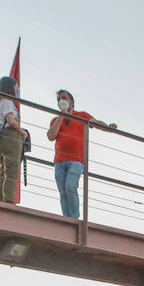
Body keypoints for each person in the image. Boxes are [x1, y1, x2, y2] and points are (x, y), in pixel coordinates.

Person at [45, 89, 112, 219]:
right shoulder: (56, 119)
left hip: (76, 160)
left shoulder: (81, 116)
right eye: (59, 99)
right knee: (63, 192)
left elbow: (97, 123)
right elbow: (51, 136)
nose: (61, 101)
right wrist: (61, 116)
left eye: (64, 98)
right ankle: (67, 218)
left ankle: (74, 218)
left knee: (70, 186)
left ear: (71, 101)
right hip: (60, 161)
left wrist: (108, 127)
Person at [0, 76, 24, 204]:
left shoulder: (1, 101)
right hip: (11, 137)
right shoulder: (7, 101)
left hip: (3, 138)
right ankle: (8, 201)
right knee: (11, 170)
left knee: (3, 170)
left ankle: (0, 199)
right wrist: (22, 132)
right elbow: (11, 120)